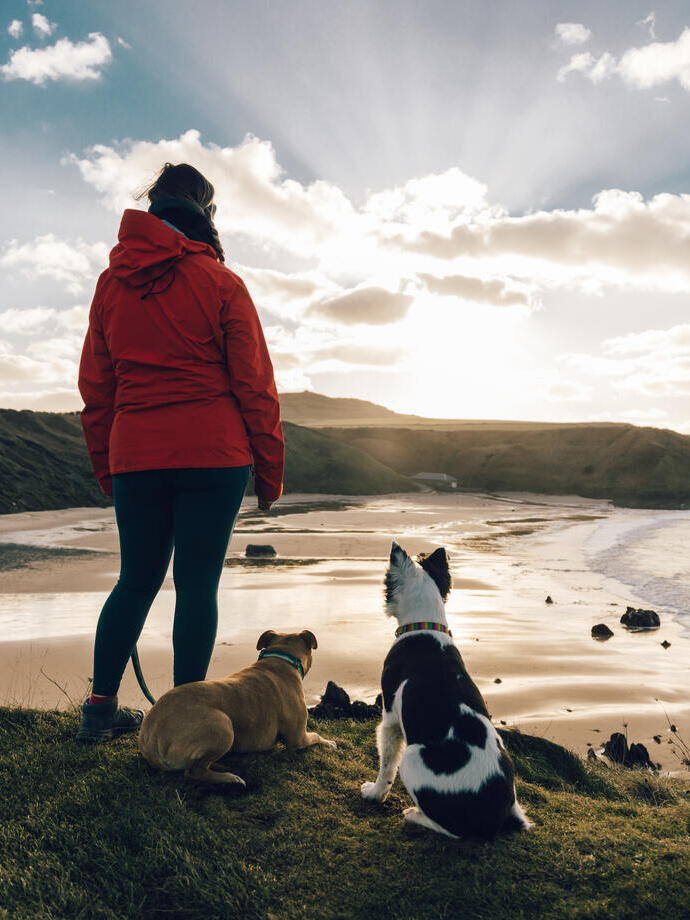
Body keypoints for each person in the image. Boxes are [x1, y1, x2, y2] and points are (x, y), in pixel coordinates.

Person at [76, 162, 284, 742]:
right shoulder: (222, 283)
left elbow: (96, 389)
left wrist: (107, 468)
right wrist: (269, 472)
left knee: (135, 580)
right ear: (205, 215)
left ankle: (98, 711)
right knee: (196, 586)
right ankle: (186, 718)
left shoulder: (110, 284)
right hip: (214, 456)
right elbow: (255, 387)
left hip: (136, 454)